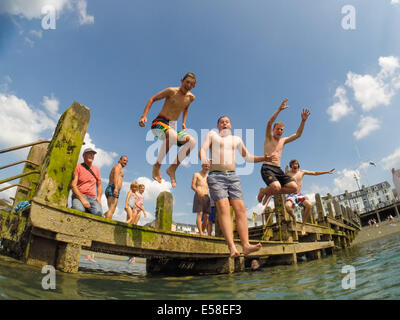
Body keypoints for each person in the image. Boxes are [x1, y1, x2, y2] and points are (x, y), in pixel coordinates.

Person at [199, 115, 263, 258]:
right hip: (216, 176)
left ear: (231, 126)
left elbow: (248, 157)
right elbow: (202, 150)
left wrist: (265, 158)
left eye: (227, 122)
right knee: (223, 206)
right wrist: (204, 159)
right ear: (218, 126)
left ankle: (246, 246)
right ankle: (232, 246)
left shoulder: (236, 139)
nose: (225, 123)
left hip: (233, 176)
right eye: (222, 122)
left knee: (240, 208)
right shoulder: (212, 135)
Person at [139, 72, 197, 187]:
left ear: (193, 87)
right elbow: (152, 99)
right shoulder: (171, 91)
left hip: (172, 127)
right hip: (159, 123)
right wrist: (144, 116)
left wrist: (184, 122)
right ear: (182, 81)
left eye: (191, 84)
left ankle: (172, 168)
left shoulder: (191, 98)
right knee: (172, 135)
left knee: (192, 142)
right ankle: (157, 165)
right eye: (187, 82)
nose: (188, 85)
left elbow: (186, 108)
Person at [257, 98, 310, 205]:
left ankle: (267, 191)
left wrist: (303, 121)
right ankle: (267, 190)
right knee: (276, 187)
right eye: (277, 129)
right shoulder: (268, 138)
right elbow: (269, 122)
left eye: (281, 130)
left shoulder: (283, 140)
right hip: (267, 168)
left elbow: (297, 135)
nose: (279, 131)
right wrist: (279, 110)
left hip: (278, 169)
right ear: (273, 129)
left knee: (294, 188)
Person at [284, 159, 335, 235]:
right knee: (287, 207)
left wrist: (326, 172)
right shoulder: (288, 174)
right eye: (293, 164)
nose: (295, 165)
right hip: (291, 195)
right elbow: (283, 181)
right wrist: (286, 173)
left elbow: (314, 173)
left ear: (298, 165)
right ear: (291, 166)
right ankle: (293, 217)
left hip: (299, 195)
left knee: (309, 205)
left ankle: (303, 225)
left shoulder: (302, 172)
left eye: (296, 164)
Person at [71, 148, 103, 217]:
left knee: (99, 214)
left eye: (93, 154)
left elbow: (99, 185)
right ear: (84, 156)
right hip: (79, 195)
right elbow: (73, 185)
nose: (91, 155)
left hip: (92, 198)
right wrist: (82, 199)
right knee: (79, 210)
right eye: (89, 153)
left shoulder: (96, 169)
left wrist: (99, 197)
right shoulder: (78, 167)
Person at [191, 163, 211, 236]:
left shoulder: (209, 177)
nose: (207, 167)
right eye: (205, 165)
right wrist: (197, 190)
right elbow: (192, 186)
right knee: (200, 213)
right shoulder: (196, 174)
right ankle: (201, 232)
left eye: (208, 166)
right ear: (202, 166)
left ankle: (201, 231)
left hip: (206, 196)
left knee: (207, 216)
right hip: (199, 195)